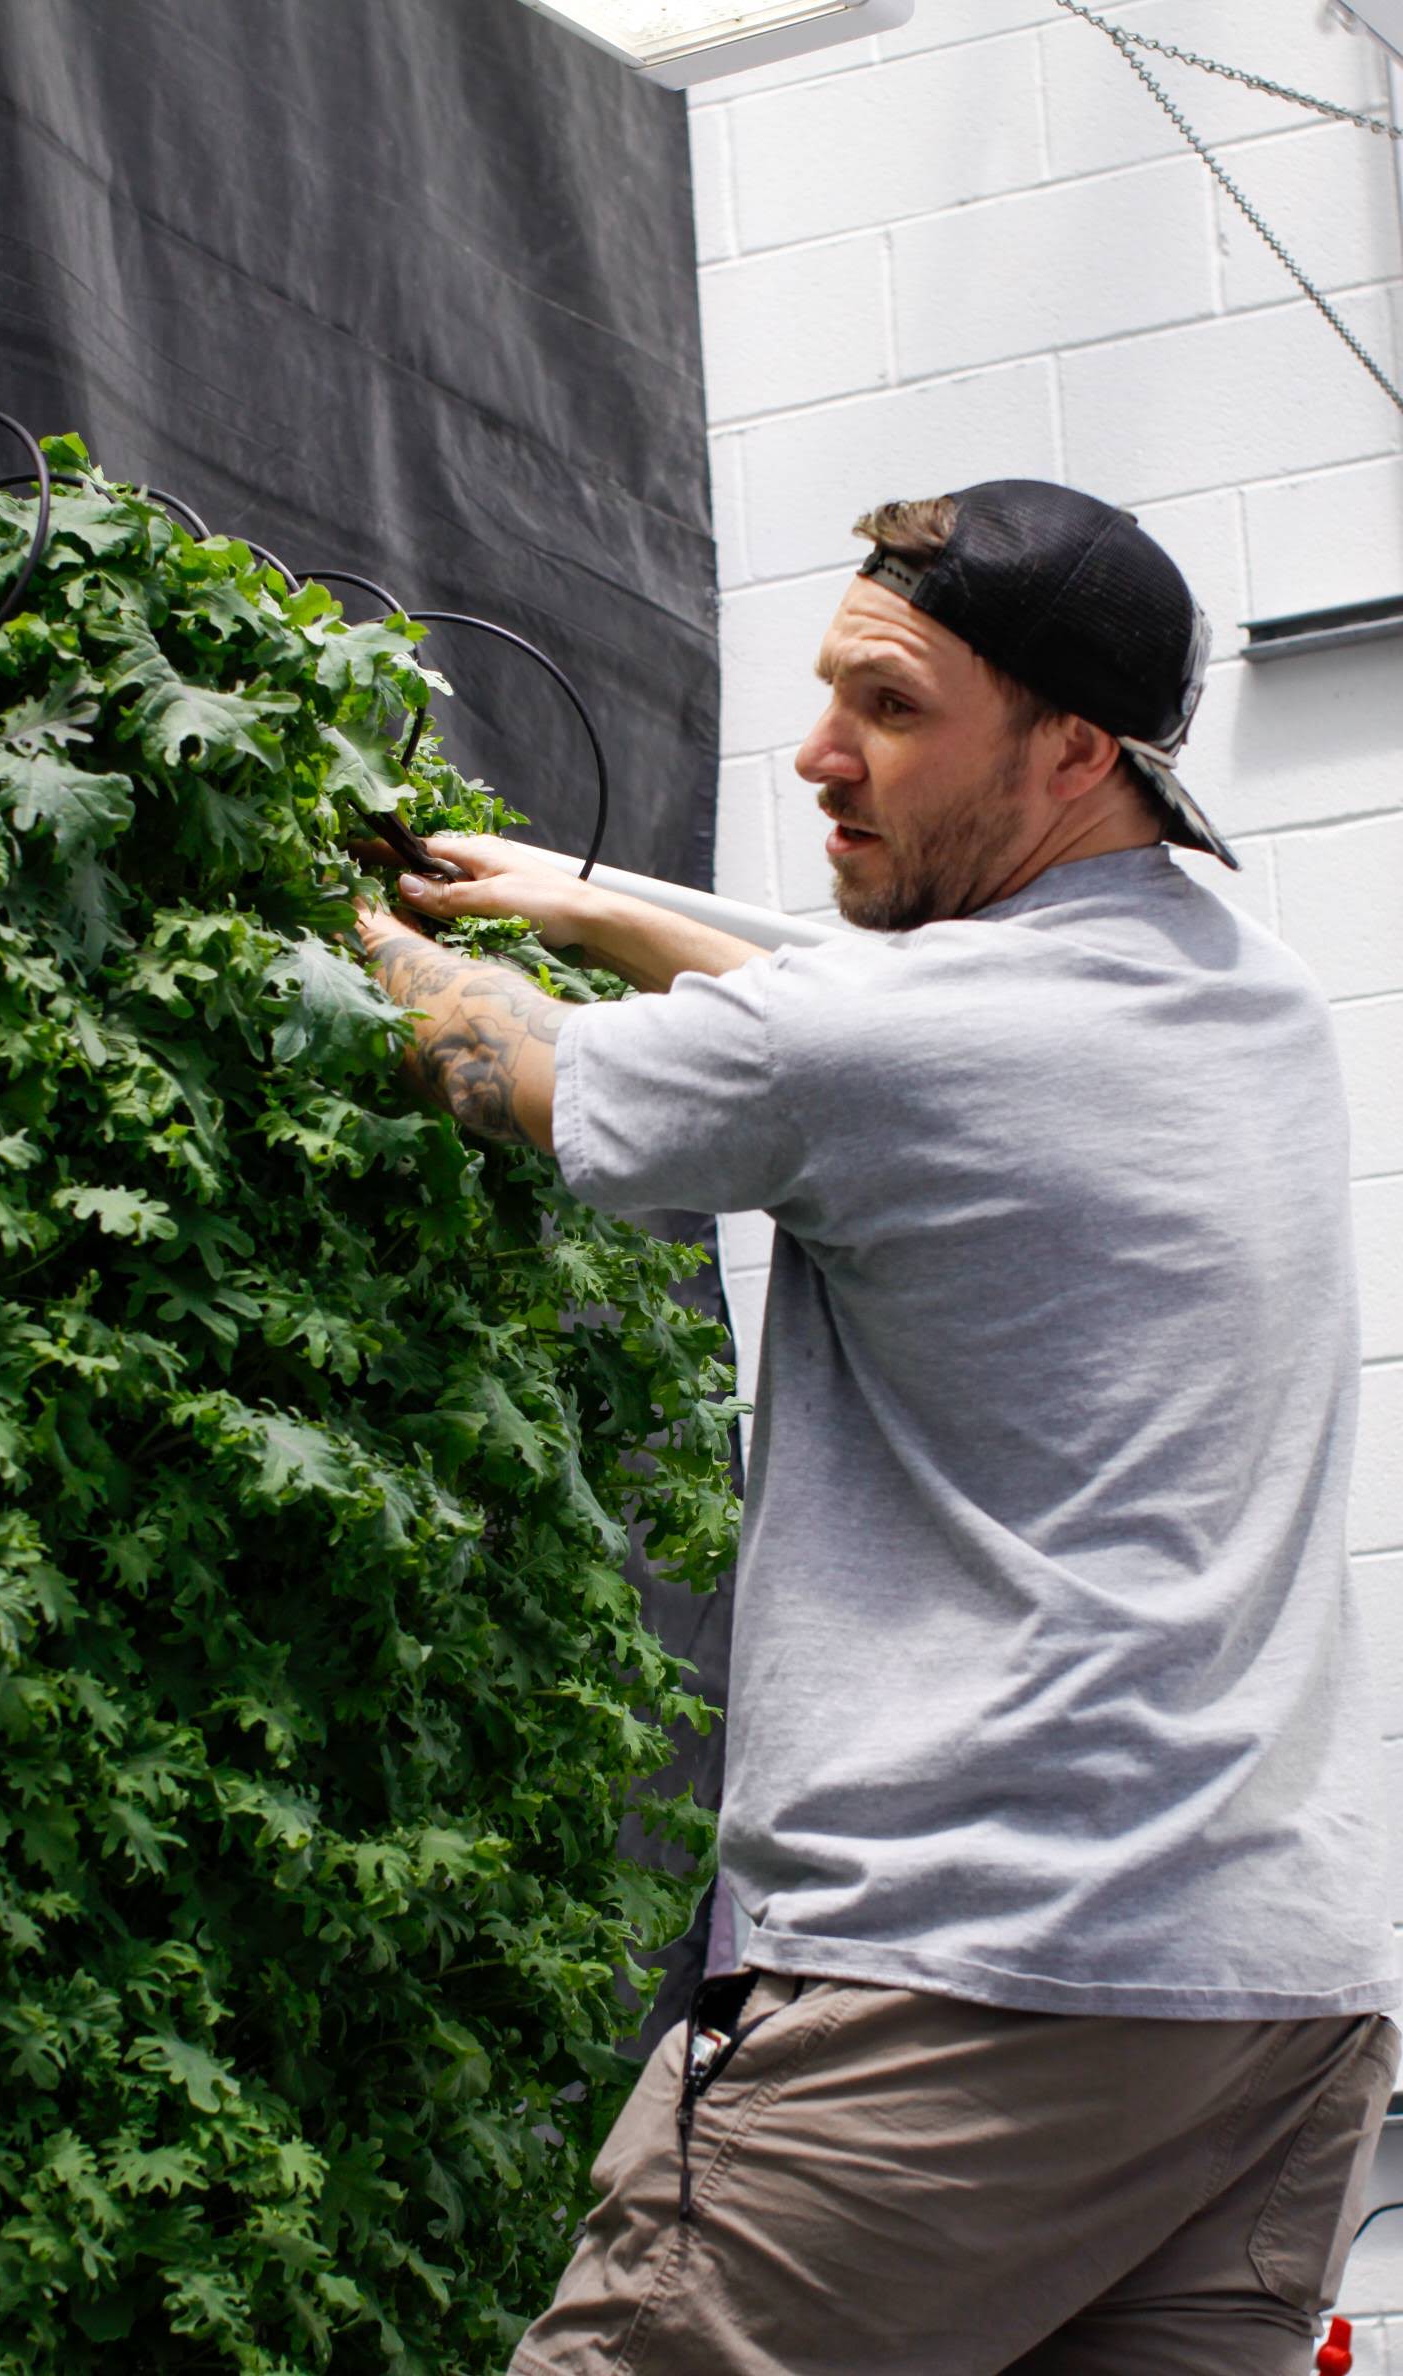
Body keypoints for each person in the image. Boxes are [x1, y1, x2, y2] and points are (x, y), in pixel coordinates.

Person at [354, 480, 1399, 2376]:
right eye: (833, 689)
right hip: (1266, 2005)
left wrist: (339, 914)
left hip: (965, 1986)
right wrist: (602, 905)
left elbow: (505, 1063)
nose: (821, 753)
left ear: (1075, 750)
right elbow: (882, 1026)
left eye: (893, 710)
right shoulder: (1248, 996)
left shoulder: (885, 1047)